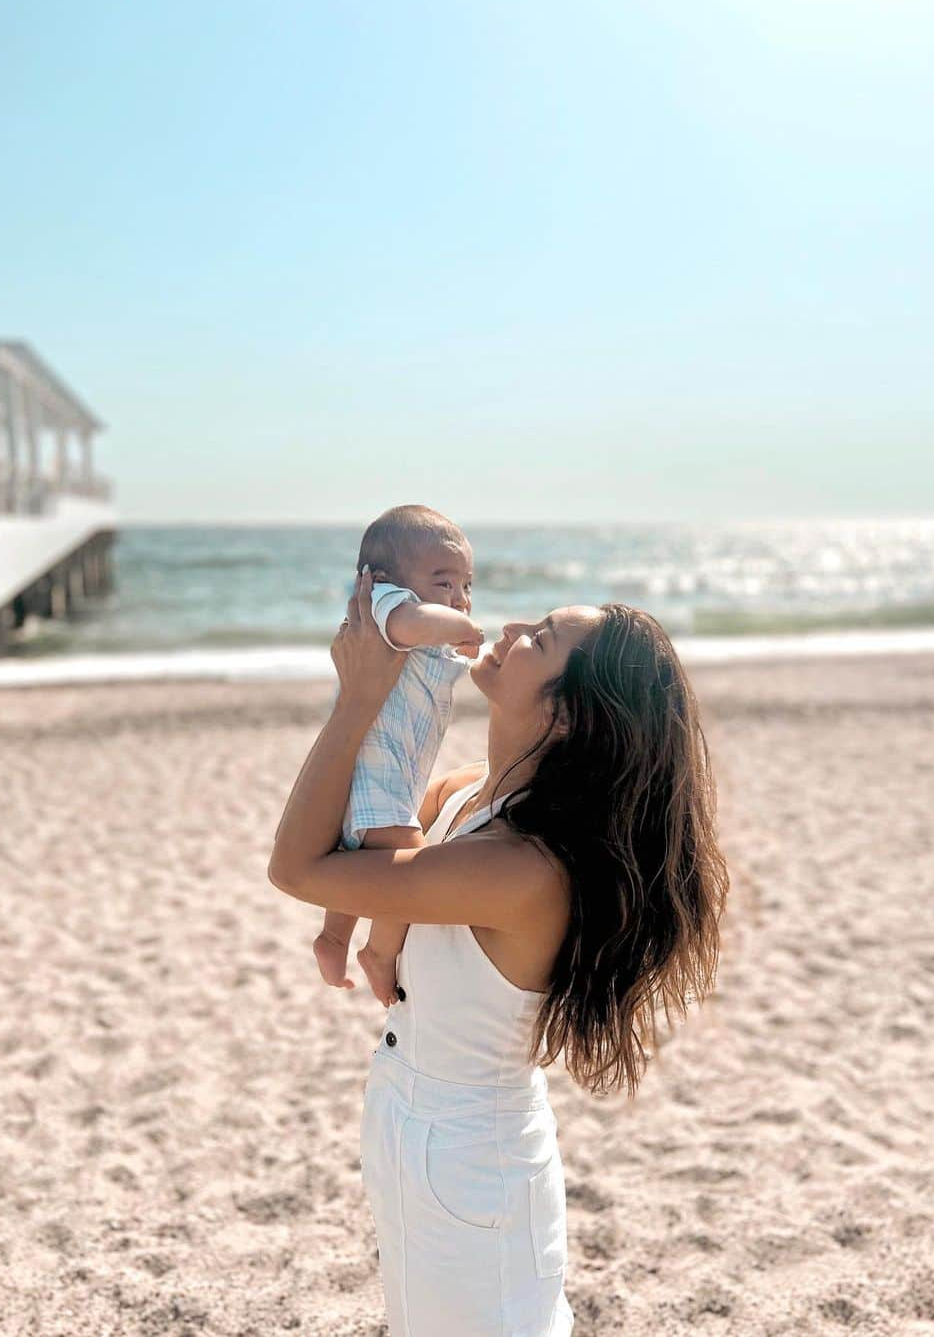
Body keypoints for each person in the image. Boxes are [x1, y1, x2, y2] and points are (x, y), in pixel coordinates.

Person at [269, 570, 729, 1337]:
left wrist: (356, 698)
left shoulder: (527, 867)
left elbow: (297, 867)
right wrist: (396, 674)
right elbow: (360, 839)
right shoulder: (465, 795)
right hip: (415, 1134)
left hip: (469, 1167)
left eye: (538, 640)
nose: (509, 630)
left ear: (566, 717)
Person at [311, 505, 485, 1005]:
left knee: (356, 864)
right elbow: (413, 621)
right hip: (373, 772)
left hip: (383, 776)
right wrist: (457, 626)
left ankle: (334, 937)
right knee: (409, 865)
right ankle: (379, 953)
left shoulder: (419, 623)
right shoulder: (385, 604)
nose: (459, 598)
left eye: (466, 586)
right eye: (443, 582)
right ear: (383, 578)